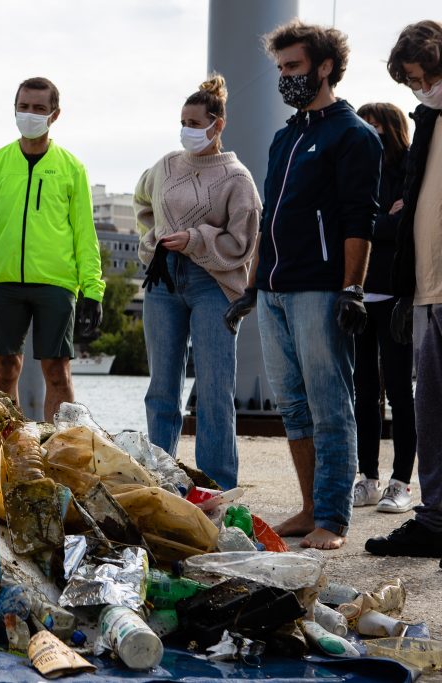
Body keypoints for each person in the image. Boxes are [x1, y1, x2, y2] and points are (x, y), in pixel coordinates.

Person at [224, 21, 382, 550]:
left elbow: (361, 220)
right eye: (281, 69)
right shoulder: (284, 137)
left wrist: (352, 289)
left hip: (320, 289)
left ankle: (333, 519)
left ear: (326, 66)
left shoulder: (353, 134)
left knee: (329, 402)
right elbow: (271, 219)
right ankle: (310, 505)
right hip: (273, 290)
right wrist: (251, 287)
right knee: (293, 404)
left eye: (294, 67)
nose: (286, 78)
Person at [134, 74, 261, 490]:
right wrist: (152, 241)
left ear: (217, 124)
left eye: (195, 121)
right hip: (164, 279)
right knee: (162, 387)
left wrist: (197, 238)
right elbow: (142, 203)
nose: (188, 129)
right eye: (183, 121)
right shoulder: (166, 165)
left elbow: (243, 242)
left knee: (215, 389)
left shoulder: (237, 178)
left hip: (214, 283)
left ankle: (217, 485)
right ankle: (159, 478)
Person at [0, 77, 104, 421]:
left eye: (39, 108)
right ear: (14, 109)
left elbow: (85, 234)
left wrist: (93, 290)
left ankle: (62, 446)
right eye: (24, 107)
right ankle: (9, 448)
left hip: (56, 284)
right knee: (5, 368)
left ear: (54, 114)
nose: (30, 114)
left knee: (57, 371)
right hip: (2, 282)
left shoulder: (72, 168)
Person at [366, 20, 442, 559]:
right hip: (424, 292)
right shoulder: (428, 119)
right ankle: (436, 520)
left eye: (420, 77)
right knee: (431, 411)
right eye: (410, 83)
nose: (417, 89)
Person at [351, 102, 417, 513]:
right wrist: (382, 220)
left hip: (397, 297)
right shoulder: (358, 172)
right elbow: (355, 226)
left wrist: (377, 223)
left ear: (390, 129)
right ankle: (368, 478)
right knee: (364, 392)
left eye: (374, 126)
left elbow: (403, 227)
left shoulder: (410, 168)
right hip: (360, 297)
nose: (368, 132)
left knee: (399, 391)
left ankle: (400, 483)